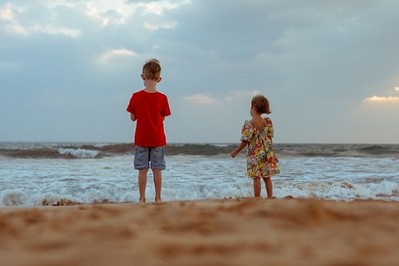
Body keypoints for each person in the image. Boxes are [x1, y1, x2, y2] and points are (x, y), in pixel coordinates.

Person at [126, 58, 171, 203]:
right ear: (159, 79)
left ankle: (142, 198)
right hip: (157, 138)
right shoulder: (163, 98)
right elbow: (162, 118)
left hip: (141, 139)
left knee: (142, 170)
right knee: (157, 170)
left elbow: (133, 118)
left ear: (142, 77)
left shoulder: (136, 96)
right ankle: (158, 198)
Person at [231, 94, 279, 198]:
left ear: (253, 107)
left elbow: (245, 141)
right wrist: (273, 154)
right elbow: (270, 139)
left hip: (255, 154)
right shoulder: (267, 122)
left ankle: (257, 198)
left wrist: (236, 151)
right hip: (267, 152)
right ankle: (270, 197)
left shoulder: (250, 123)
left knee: (256, 177)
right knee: (267, 176)